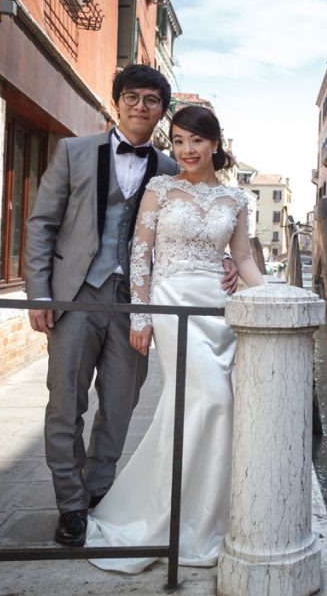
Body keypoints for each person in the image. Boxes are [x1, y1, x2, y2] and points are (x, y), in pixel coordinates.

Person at [24, 65, 237, 547]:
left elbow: (199, 217)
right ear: (117, 102)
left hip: (139, 302)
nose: (141, 106)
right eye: (132, 97)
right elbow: (41, 224)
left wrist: (223, 259)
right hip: (75, 296)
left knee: (119, 405)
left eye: (151, 100)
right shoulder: (73, 152)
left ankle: (98, 494)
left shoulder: (169, 167)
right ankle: (70, 505)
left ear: (161, 111)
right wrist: (39, 293)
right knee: (65, 403)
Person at [85, 104, 265, 574]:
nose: (186, 149)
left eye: (196, 141)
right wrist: (141, 316)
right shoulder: (159, 190)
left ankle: (202, 516)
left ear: (215, 145)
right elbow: (140, 253)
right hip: (170, 304)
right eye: (179, 140)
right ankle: (173, 519)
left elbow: (243, 259)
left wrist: (274, 293)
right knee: (216, 399)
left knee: (193, 408)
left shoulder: (237, 200)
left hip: (218, 310)